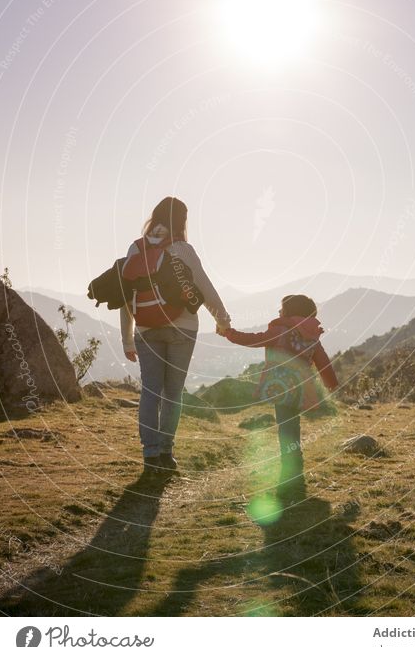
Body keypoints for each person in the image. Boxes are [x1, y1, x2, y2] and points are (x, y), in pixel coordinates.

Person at [121, 197, 230, 475]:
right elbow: (204, 288)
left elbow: (126, 296)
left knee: (150, 391)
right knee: (172, 394)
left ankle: (150, 454)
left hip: (146, 329)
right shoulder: (183, 248)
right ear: (182, 221)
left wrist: (127, 339)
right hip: (183, 328)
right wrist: (222, 319)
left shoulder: (137, 247)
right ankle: (167, 452)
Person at [219, 294, 338, 495]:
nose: (279, 312)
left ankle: (290, 470)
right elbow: (323, 361)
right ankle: (295, 465)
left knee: (285, 428)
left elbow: (253, 340)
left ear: (290, 312)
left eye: (282, 309)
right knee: (293, 426)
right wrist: (331, 384)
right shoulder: (312, 335)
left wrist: (229, 333)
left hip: (280, 388)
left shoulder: (280, 330)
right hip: (300, 389)